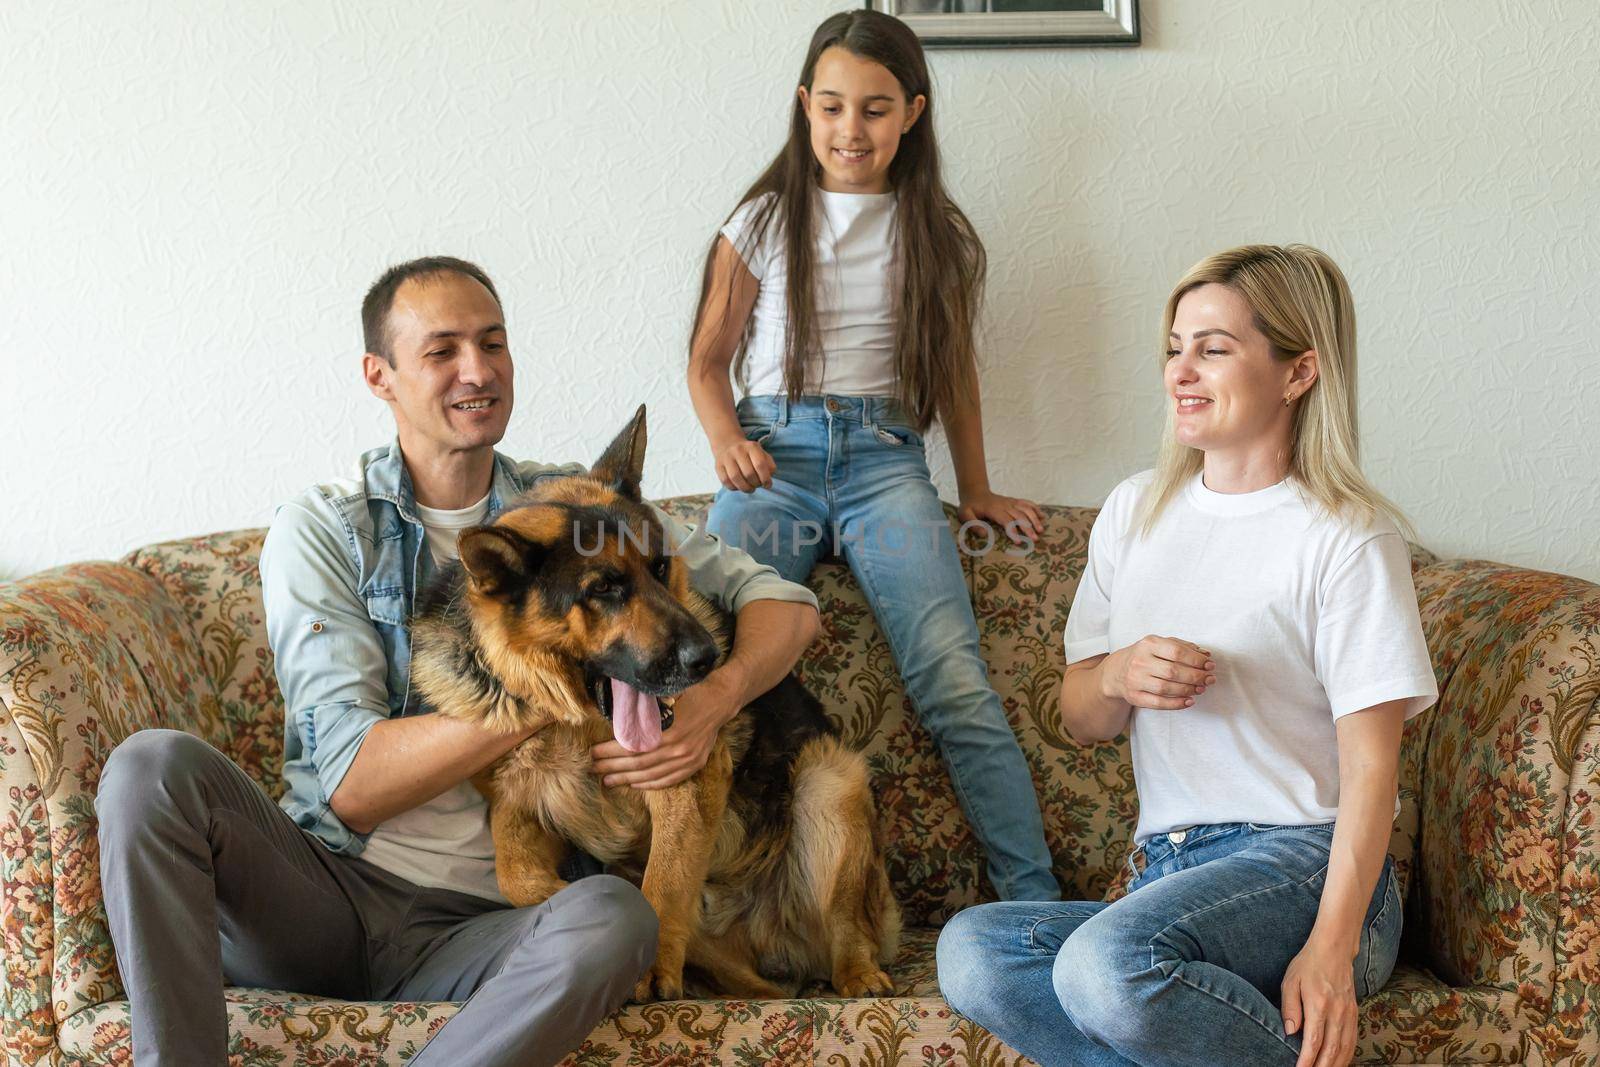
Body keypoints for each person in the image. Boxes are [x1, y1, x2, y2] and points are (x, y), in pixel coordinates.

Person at [94, 256, 821, 1067]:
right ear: (381, 376)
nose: (477, 370)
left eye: (493, 342)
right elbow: (354, 784)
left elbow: (785, 605)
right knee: (151, 767)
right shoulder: (328, 528)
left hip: (490, 925)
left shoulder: (576, 508)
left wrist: (716, 696)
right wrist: (544, 687)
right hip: (326, 894)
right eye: (442, 350)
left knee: (619, 919)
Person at [937, 244, 1437, 1066]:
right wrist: (1118, 672)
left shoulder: (1346, 535)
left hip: (1308, 865)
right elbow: (1080, 716)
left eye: (1214, 348)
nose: (1180, 371)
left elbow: (1374, 773)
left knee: (1105, 966)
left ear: (1299, 371)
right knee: (975, 950)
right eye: (1175, 347)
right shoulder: (1136, 510)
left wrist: (1331, 948)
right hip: (1167, 872)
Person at [685, 7, 1058, 902]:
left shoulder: (936, 233)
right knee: (696, 660)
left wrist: (974, 487)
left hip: (888, 460)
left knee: (955, 682)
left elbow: (954, 373)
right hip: (774, 452)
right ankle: (672, 897)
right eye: (835, 108)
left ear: (913, 113)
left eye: (877, 109)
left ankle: (1038, 904)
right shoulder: (765, 219)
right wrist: (726, 438)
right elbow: (706, 362)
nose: (853, 130)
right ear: (806, 107)